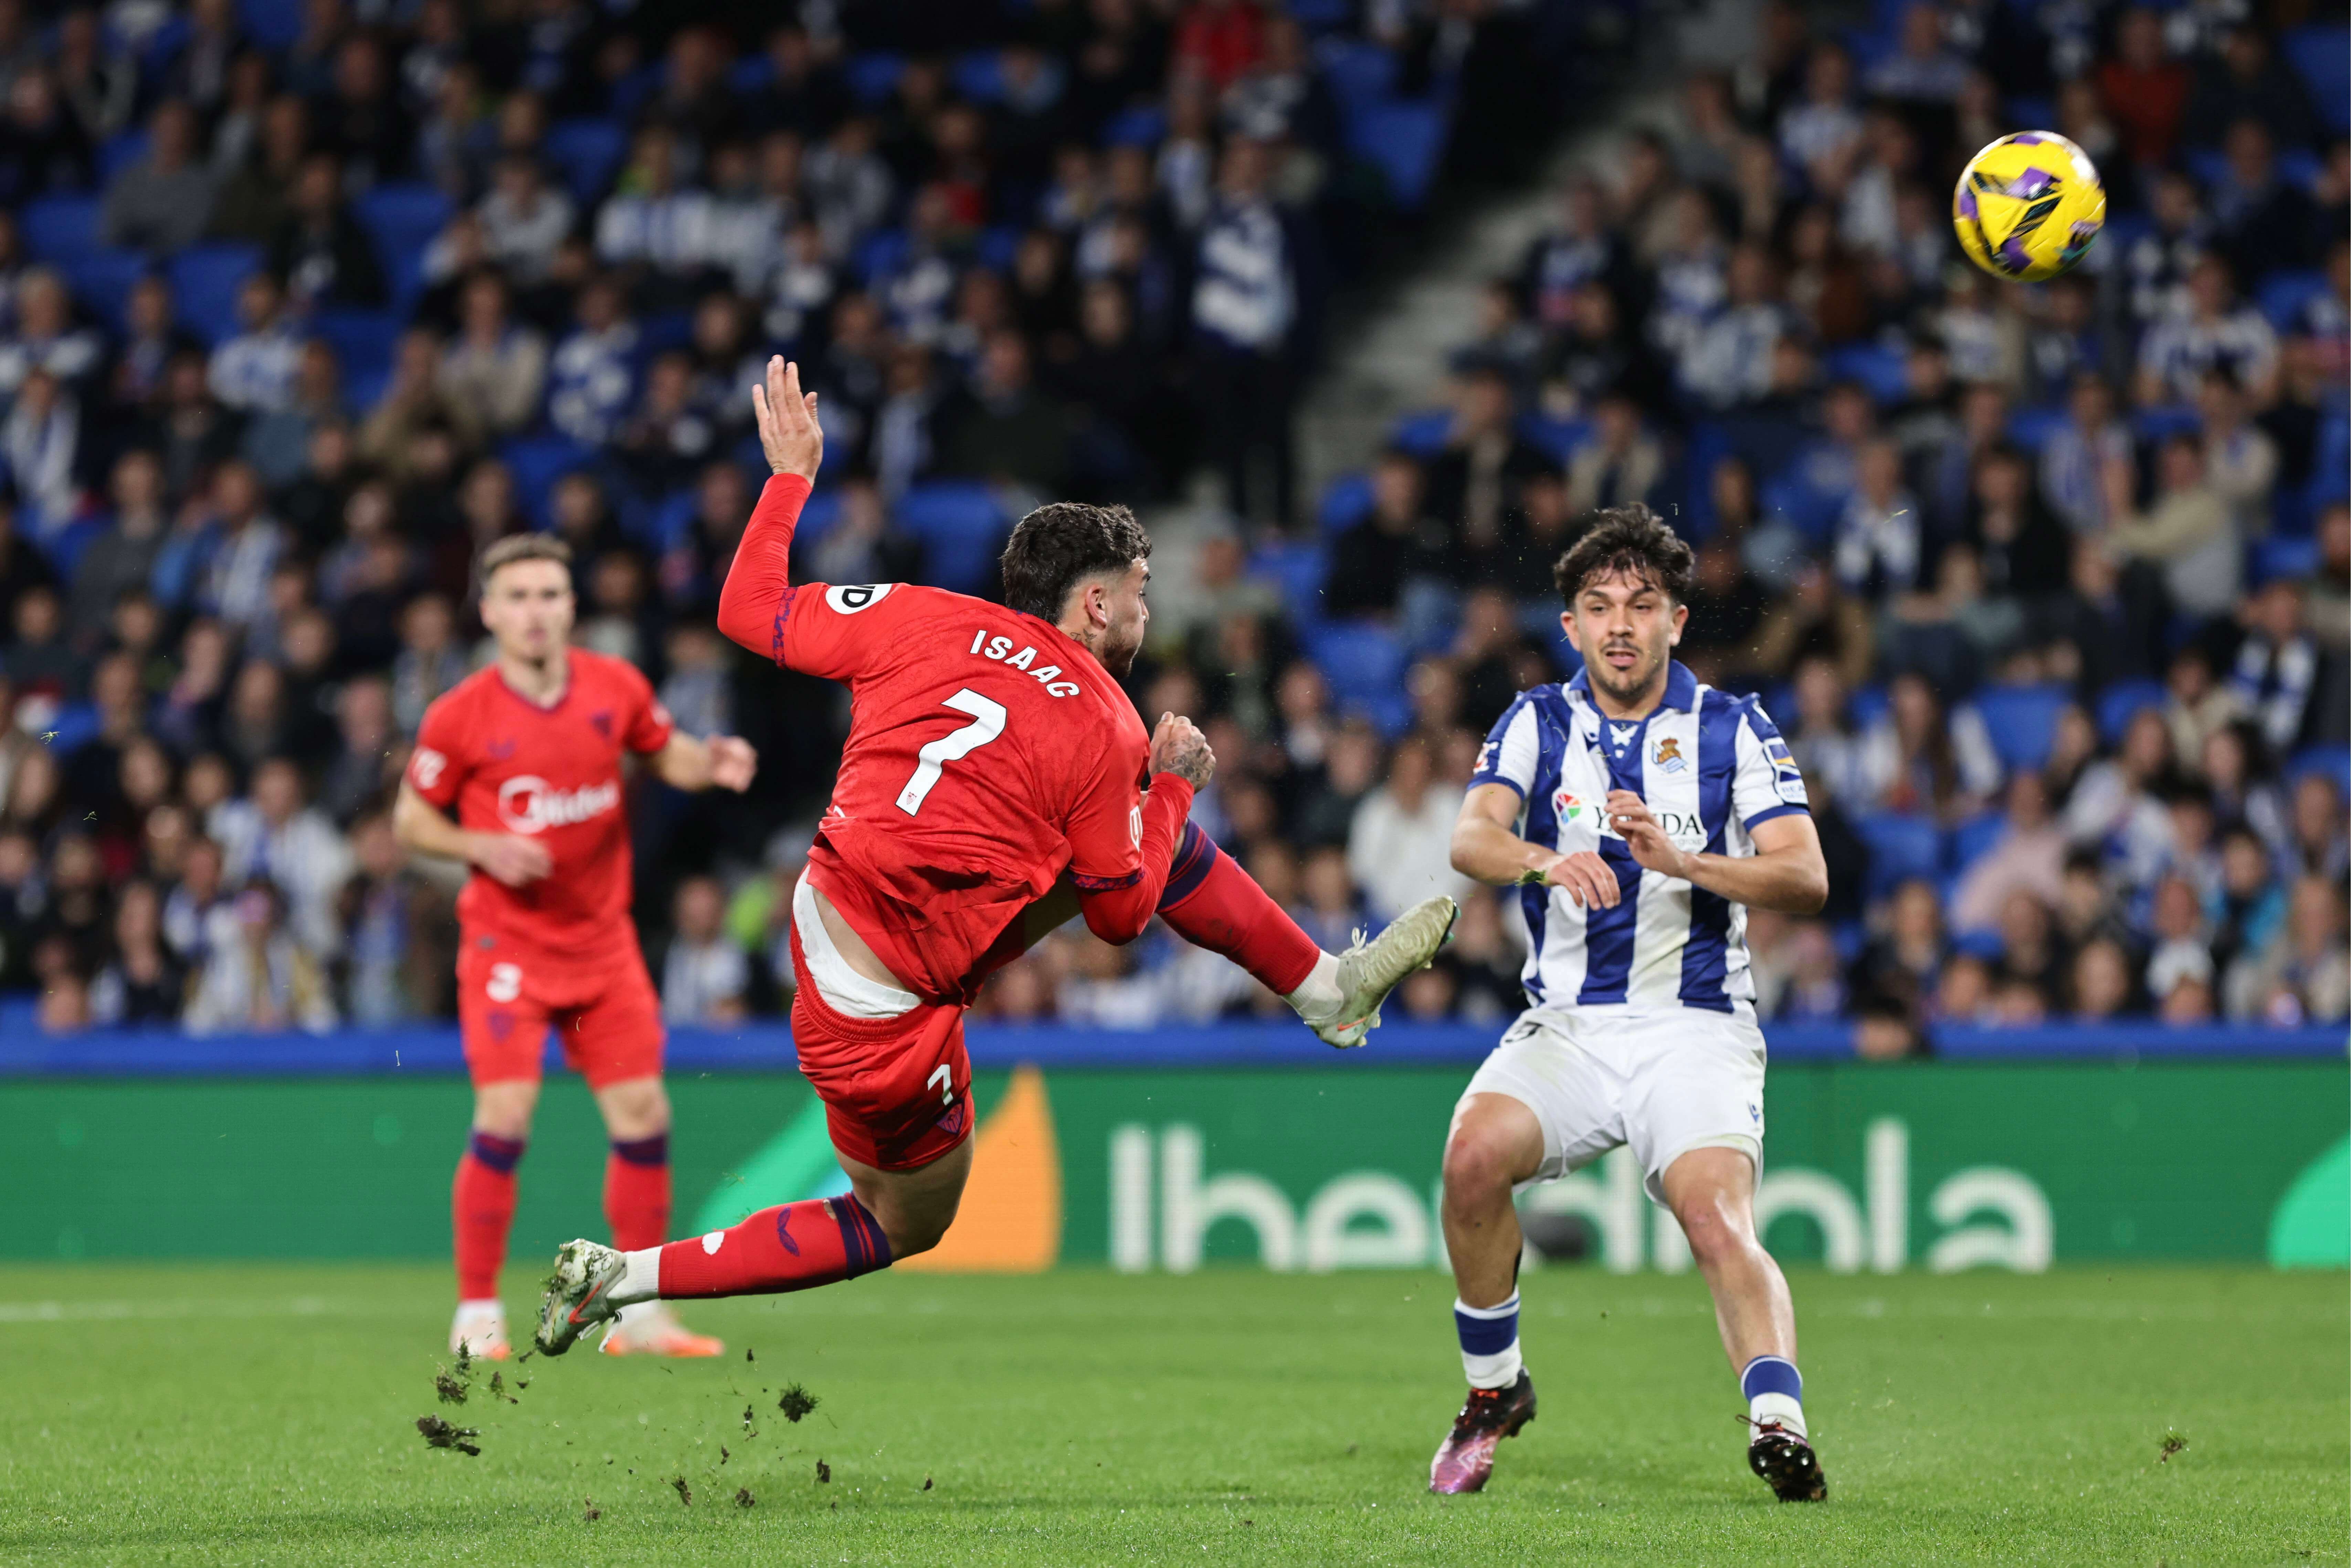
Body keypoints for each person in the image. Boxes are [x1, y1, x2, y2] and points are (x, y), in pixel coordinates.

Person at [534, 359, 1456, 1352]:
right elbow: (1119, 919)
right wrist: (1176, 775)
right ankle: (625, 1274)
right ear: (1095, 606)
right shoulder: (1106, 726)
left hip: (829, 914)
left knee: (1134, 835)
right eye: (1140, 592)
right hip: (887, 1015)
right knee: (904, 1220)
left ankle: (1323, 986)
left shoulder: (922, 612)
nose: (1148, 613)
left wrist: (789, 476)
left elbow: (745, 612)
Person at [1430, 506, 1832, 1501]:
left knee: (1713, 1216)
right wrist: (1544, 858)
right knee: (1469, 1159)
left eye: (1640, 605)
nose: (1619, 623)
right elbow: (1469, 838)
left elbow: (1805, 876)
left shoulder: (1732, 726)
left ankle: (1776, 1420)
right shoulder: (1534, 719)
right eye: (1597, 606)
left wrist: (1681, 860)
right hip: (1567, 1027)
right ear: (1568, 627)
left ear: (1676, 623)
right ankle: (1494, 1390)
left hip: (1693, 1027)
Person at [392, 532, 761, 1362]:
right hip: (508, 947)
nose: (534, 612)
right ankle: (475, 1311)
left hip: (602, 946)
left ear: (571, 608)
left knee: (646, 1115)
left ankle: (637, 1314)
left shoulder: (614, 686)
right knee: (507, 1116)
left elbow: (666, 754)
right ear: (488, 612)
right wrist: (481, 848)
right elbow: (410, 821)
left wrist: (716, 762)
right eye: (517, 597)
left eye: (550, 595)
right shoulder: (460, 714)